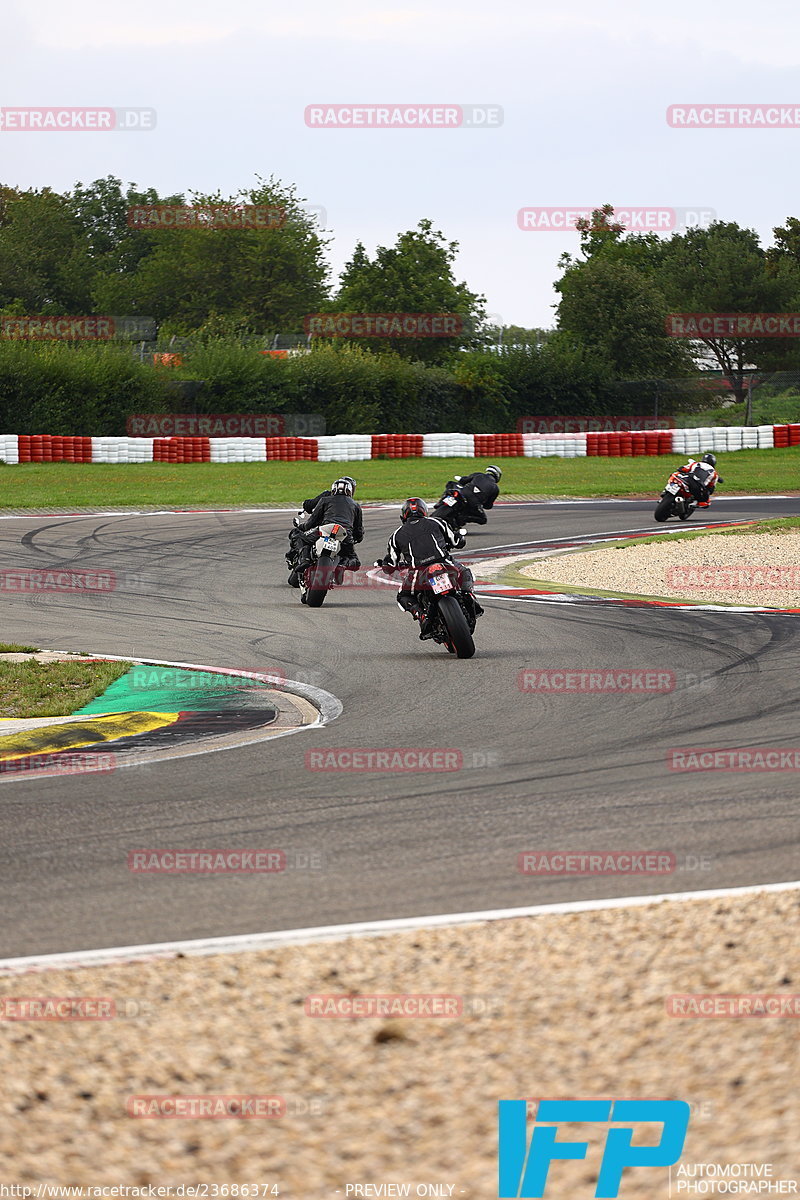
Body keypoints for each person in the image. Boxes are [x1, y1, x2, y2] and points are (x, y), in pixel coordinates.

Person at [380, 497, 483, 638]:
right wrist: (460, 539)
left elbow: (391, 563)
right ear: (424, 511)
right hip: (444, 563)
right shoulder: (437, 521)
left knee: (403, 596)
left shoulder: (396, 535)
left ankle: (421, 615)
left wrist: (386, 566)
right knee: (465, 573)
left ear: (404, 515)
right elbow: (457, 541)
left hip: (418, 571)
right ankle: (469, 596)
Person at [293, 478, 363, 594]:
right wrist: (357, 538)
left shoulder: (325, 500)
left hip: (325, 529)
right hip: (344, 534)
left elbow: (313, 520)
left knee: (300, 537)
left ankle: (305, 560)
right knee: (354, 560)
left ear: (334, 489)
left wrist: (302, 527)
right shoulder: (356, 505)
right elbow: (358, 529)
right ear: (350, 491)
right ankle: (342, 565)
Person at [447, 464, 502, 533]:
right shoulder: (495, 488)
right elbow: (488, 505)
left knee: (451, 484)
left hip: (463, 493)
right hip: (473, 503)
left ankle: (441, 503)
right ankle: (461, 518)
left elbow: (463, 480)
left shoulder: (478, 475)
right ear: (497, 476)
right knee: (483, 519)